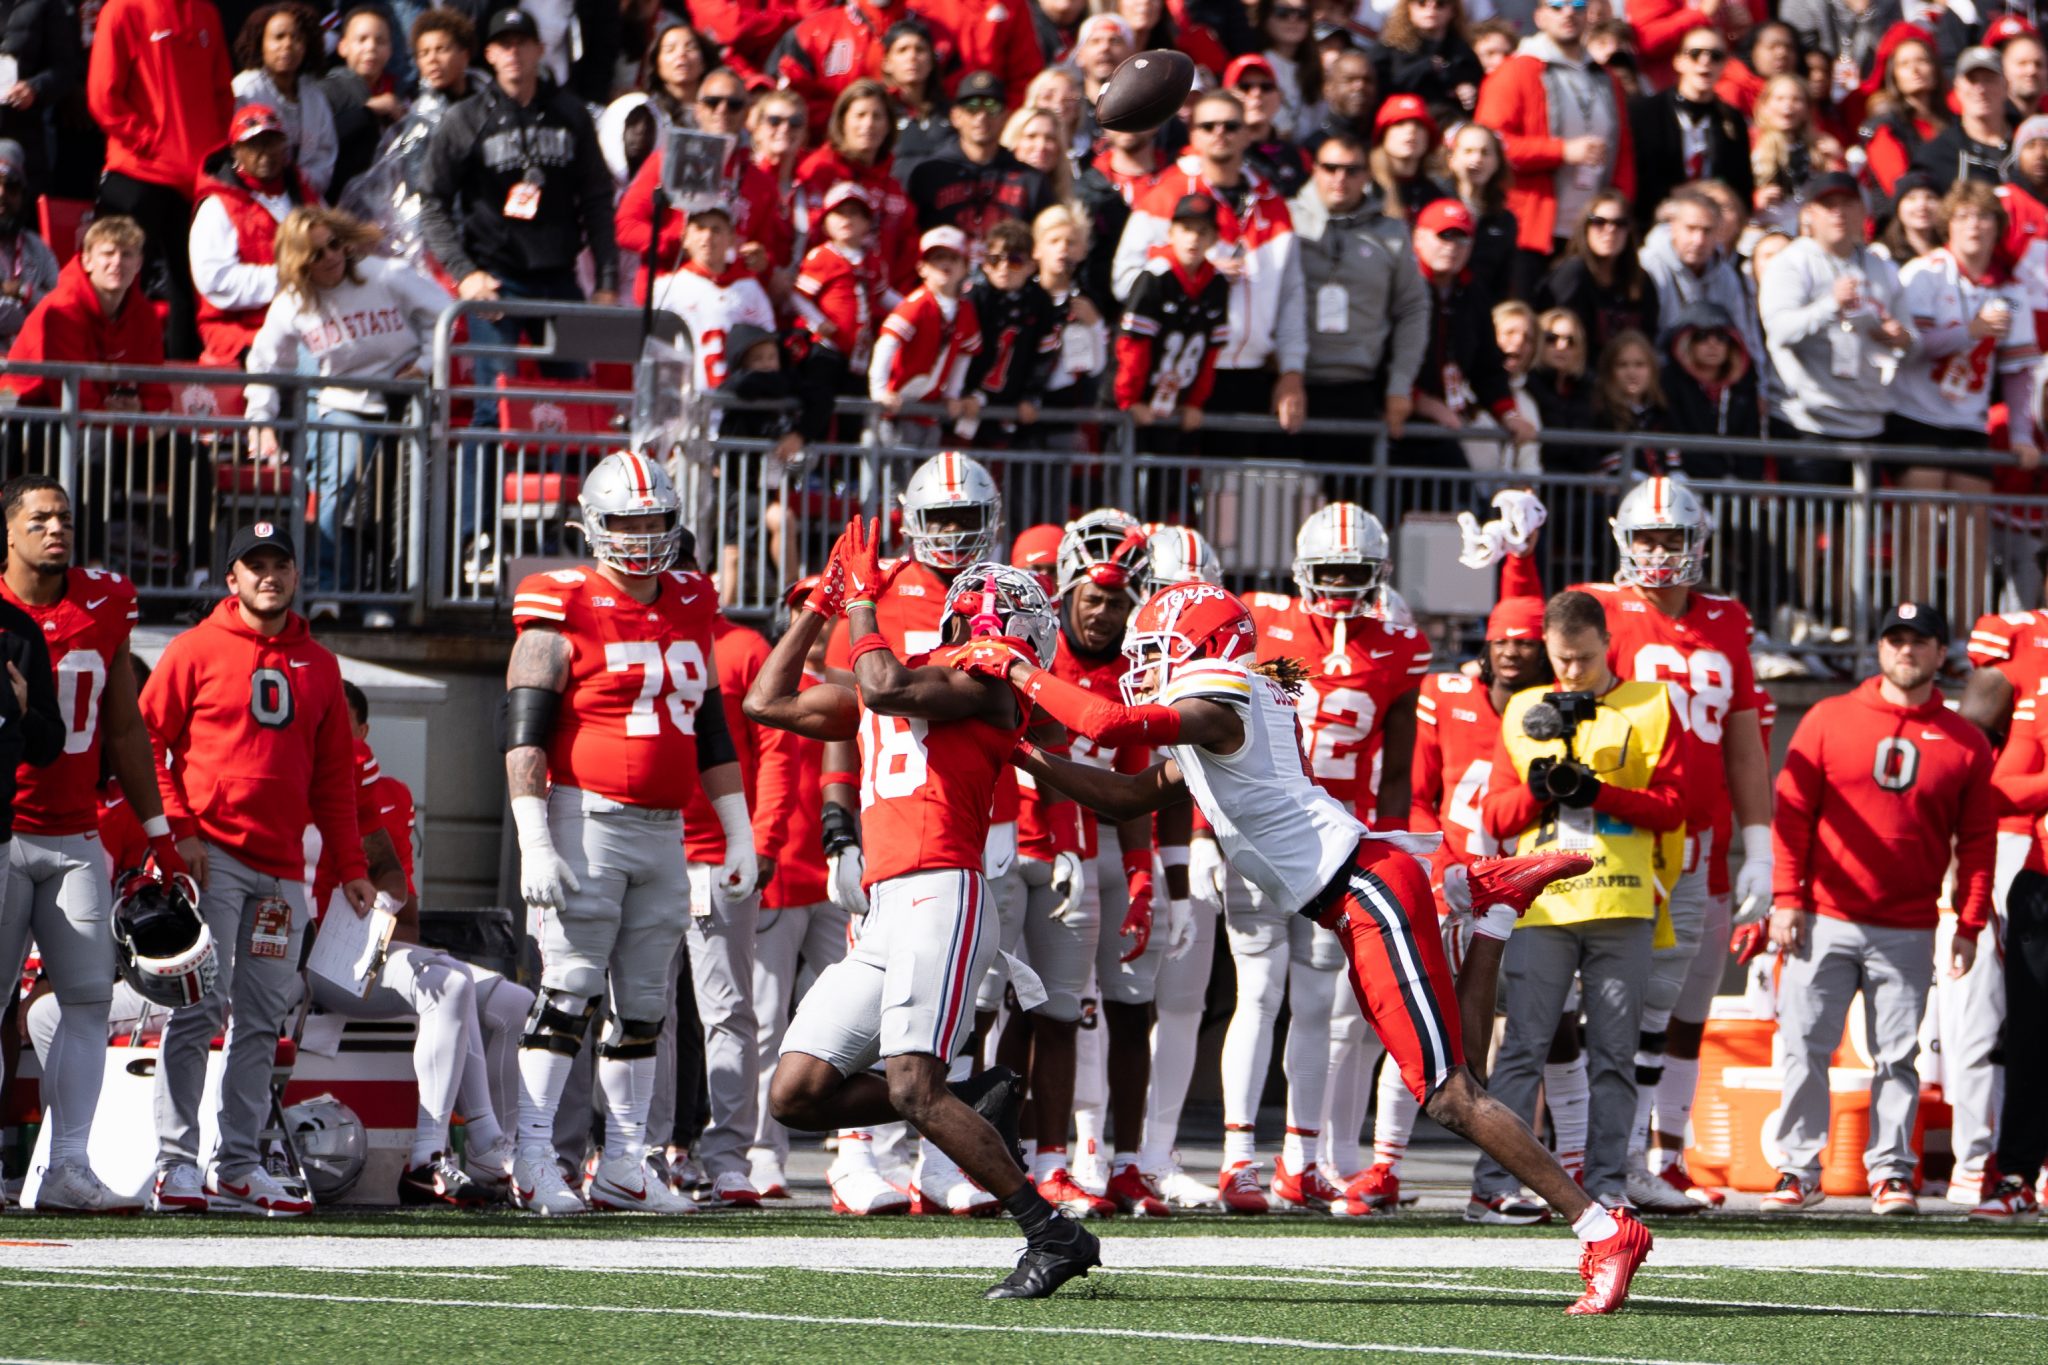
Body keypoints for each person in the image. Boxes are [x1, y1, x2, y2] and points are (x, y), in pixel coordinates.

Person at [1013, 581, 1650, 1311]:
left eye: (1162, 650)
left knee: (1450, 1093)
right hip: (1359, 890)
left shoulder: (1220, 699)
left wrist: (1015, 668)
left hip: (1364, 889)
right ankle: (1495, 913)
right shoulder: (1233, 701)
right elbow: (1124, 795)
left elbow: (1111, 722)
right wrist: (1023, 753)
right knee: (1456, 1077)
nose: (1147, 664)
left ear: (1206, 648)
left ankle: (1603, 1228)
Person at [745, 522, 1102, 1299]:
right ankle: (967, 1100)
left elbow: (880, 686)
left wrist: (864, 598)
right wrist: (821, 604)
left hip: (945, 890)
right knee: (797, 1093)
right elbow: (764, 699)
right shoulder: (909, 678)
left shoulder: (985, 692)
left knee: (911, 1086)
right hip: (887, 908)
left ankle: (1052, 1232)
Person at [1500, 477, 1773, 1208]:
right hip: (1600, 835)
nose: (1658, 552)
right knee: (1573, 1012)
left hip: (1690, 834)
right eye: (1646, 537)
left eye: (1671, 537)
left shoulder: (1726, 617)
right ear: (1623, 540)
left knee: (1653, 1008)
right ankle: (1578, 1155)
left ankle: (1625, 1157)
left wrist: (1761, 842)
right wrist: (1517, 562)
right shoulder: (1599, 605)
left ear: (1698, 541)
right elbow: (1521, 645)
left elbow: (1744, 742)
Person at [502, 452, 759, 1214]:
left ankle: (622, 1163)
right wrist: (534, 835)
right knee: (569, 988)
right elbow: (523, 728)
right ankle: (533, 1156)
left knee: (645, 1000)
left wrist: (738, 830)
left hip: (665, 827)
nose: (643, 537)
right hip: (588, 818)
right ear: (593, 526)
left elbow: (711, 722)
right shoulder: (561, 599)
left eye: (654, 521)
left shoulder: (689, 595)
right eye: (626, 522)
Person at [808, 451, 1019, 1217]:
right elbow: (844, 714)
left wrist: (1011, 812)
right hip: (894, 823)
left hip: (969, 816)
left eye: (968, 518)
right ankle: (858, 1155)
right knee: (881, 995)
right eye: (943, 517)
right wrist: (838, 826)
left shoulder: (1003, 594)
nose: (956, 533)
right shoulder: (881, 592)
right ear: (911, 519)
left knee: (962, 998)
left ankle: (937, 1153)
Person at [141, 522, 372, 1217]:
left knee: (263, 1019)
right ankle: (176, 1163)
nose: (268, 575)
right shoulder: (193, 650)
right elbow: (147, 741)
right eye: (255, 564)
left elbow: (335, 778)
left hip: (281, 872)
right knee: (197, 1009)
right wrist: (177, 834)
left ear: (296, 575)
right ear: (230, 577)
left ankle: (237, 1164)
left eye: (280, 564)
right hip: (212, 857)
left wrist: (351, 863)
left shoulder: (322, 666)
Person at [1210, 504, 1429, 1214]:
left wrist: (1391, 837)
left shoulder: (1399, 643)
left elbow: (1397, 768)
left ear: (1379, 575)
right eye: (1328, 571)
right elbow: (1212, 729)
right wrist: (1201, 830)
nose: (1338, 585)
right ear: (1302, 570)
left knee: (1321, 1002)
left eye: (1353, 573)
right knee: (1260, 992)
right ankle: (1238, 1156)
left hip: (1334, 839)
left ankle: (1299, 1158)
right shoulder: (1262, 625)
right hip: (1260, 826)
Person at [1764, 601, 1994, 1216]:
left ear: (1941, 653)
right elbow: (1791, 817)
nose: (1906, 651)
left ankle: (1891, 1171)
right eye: (1896, 639)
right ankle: (1796, 1169)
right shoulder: (1828, 717)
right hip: (1824, 915)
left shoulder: (1966, 742)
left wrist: (1967, 922)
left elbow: (1976, 842)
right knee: (1804, 1045)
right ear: (1881, 648)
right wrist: (1786, 898)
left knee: (1898, 1056)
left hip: (1908, 924)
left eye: (1920, 641)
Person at [1474, 588, 1687, 1220]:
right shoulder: (1523, 708)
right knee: (1523, 1049)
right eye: (1561, 659)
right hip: (1543, 905)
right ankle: (1495, 1183)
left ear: (1607, 646)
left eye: (1584, 659)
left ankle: (1608, 1183)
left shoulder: (1650, 703)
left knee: (1615, 1056)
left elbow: (1677, 807)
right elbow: (1495, 814)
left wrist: (1604, 792)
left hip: (1622, 902)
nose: (1570, 672)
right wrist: (1541, 794)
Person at [1360, 592, 1554, 1214]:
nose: (1513, 651)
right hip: (1461, 886)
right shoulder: (1447, 695)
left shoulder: (1554, 708)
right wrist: (1435, 871)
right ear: (1486, 643)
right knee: (1424, 1029)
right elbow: (1418, 792)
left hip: (1541, 891)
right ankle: (1385, 1166)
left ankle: (1567, 1169)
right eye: (1502, 639)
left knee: (1552, 1036)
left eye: (1526, 640)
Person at [304, 680, 531, 1207]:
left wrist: (379, 928)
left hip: (362, 948)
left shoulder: (379, 793)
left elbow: (401, 910)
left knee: (515, 1003)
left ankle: (496, 1148)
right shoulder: (281, 775)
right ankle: (446, 1149)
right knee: (448, 985)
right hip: (303, 953)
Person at [418, 5, 619, 565]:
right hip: (496, 281)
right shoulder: (465, 118)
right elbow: (430, 201)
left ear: (538, 50)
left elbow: (598, 199)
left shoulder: (571, 113)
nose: (512, 52)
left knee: (573, 407)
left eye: (521, 43)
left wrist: (605, 279)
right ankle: (475, 539)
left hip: (558, 278)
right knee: (491, 407)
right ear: (488, 54)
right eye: (501, 44)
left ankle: (573, 534)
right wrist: (465, 272)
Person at [244, 207, 449, 604]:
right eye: (317, 254)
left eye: (335, 245)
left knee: (400, 497)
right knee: (336, 481)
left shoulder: (383, 273)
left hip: (405, 397)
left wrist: (423, 365)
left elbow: (444, 314)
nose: (332, 257)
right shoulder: (292, 303)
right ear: (300, 263)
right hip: (343, 399)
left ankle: (392, 595)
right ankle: (325, 590)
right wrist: (261, 421)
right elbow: (266, 363)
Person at [1111, 91, 1308, 447]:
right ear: (1193, 135)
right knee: (1167, 497)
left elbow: (1292, 297)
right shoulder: (1164, 195)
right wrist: (1192, 268)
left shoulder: (1273, 203)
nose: (1221, 133)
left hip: (1251, 375)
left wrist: (1291, 371)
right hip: (1176, 375)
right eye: (1208, 125)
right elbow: (1124, 282)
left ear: (1248, 134)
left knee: (1236, 498)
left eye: (1232, 125)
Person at [0, 479, 96, 1210]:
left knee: (88, 996)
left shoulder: (19, 630)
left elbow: (47, 741)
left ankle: (68, 1165)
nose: (55, 528)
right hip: (8, 836)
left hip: (48, 832)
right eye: (40, 518)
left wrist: (24, 707)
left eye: (64, 517)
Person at [1892, 180, 2037, 619]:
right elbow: (1908, 346)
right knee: (1918, 526)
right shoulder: (1925, 272)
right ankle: (1912, 628)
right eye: (1964, 216)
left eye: (1985, 217)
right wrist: (1967, 333)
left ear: (1999, 228)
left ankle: (1965, 638)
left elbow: (2018, 371)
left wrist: (2021, 433)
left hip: (1968, 420)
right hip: (1914, 413)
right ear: (1947, 225)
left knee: (1971, 531)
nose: (1975, 226)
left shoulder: (2011, 290)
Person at [86, 0, 234, 360]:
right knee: (115, 278)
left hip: (196, 179)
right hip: (138, 172)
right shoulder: (122, 10)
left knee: (192, 288)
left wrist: (214, 154)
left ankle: (182, 389)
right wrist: (148, 141)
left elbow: (221, 94)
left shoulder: (207, 12)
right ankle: (105, 381)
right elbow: (103, 97)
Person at [1476, 0, 1635, 302]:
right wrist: (1560, 151)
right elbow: (1492, 145)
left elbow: (1623, 151)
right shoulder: (1516, 71)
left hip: (1592, 234)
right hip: (1531, 229)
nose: (1568, 13)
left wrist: (1619, 208)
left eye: (1577, 5)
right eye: (1557, 5)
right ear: (1539, 15)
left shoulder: (1606, 77)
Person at [1758, 170, 1907, 484]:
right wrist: (1829, 305)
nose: (1838, 212)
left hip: (1866, 421)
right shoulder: (1792, 262)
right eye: (1829, 205)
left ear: (1863, 211)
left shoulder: (1882, 267)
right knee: (1806, 527)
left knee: (1858, 529)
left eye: (1848, 203)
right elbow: (1779, 331)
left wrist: (1899, 337)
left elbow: (1912, 338)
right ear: (1809, 214)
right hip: (1806, 421)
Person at [1290, 130, 1428, 460]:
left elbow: (1413, 308)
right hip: (1290, 386)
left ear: (1367, 174)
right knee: (1284, 505)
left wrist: (1400, 386)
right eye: (1331, 168)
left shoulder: (1392, 234)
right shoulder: (1284, 220)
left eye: (1352, 170)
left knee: (1352, 508)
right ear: (1315, 169)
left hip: (1359, 388)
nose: (1341, 178)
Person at [1978, 660, 2048, 1221]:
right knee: (2031, 1037)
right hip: (2043, 882)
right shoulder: (2041, 695)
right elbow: (2000, 788)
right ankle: (2017, 1174)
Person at [190, 104, 318, 369]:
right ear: (236, 152)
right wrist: (288, 277)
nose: (265, 154)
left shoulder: (303, 194)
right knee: (310, 365)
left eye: (271, 143)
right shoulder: (217, 206)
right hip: (240, 329)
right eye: (254, 146)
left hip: (305, 321)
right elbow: (215, 281)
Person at [1408, 198, 1533, 468]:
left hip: (1444, 425)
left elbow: (1487, 366)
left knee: (1461, 503)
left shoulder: (1472, 293)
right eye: (1444, 236)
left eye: (1462, 239)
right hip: (1395, 421)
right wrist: (1421, 402)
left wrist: (1508, 414)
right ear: (1418, 237)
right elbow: (1379, 357)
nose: (1452, 247)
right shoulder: (1401, 285)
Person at [3, 215, 166, 414]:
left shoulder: (145, 315)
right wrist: (134, 424)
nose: (117, 262)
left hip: (96, 415)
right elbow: (72, 399)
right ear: (87, 261)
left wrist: (143, 410)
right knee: (97, 442)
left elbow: (159, 394)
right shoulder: (62, 309)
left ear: (139, 263)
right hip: (25, 413)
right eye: (108, 253)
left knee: (181, 444)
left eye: (127, 255)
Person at [1112, 194, 1230, 447]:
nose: (1193, 238)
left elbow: (1210, 353)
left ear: (1214, 238)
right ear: (1171, 233)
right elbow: (1133, 345)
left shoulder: (1217, 284)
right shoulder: (1155, 277)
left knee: (1170, 482)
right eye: (1186, 229)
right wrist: (1130, 400)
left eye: (1202, 231)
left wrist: (1194, 403)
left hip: (1176, 406)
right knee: (1121, 479)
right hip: (1135, 404)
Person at [790, 184, 896, 445]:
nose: (847, 220)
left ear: (867, 223)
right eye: (840, 213)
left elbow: (885, 295)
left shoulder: (872, 260)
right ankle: (812, 469)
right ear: (826, 222)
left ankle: (846, 479)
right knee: (819, 407)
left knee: (854, 413)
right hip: (827, 348)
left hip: (859, 353)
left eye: (855, 214)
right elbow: (798, 295)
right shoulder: (823, 257)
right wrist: (817, 322)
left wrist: (913, 309)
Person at [795, 80, 920, 295]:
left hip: (883, 306)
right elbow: (806, 239)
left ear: (889, 125)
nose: (869, 124)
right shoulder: (819, 170)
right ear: (842, 121)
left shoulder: (892, 186)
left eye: (877, 116)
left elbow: (907, 250)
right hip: (829, 306)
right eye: (860, 115)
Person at [905, 70, 1053, 247]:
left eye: (992, 107)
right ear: (955, 116)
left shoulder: (1030, 180)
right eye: (972, 107)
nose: (981, 117)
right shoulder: (929, 174)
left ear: (1005, 116)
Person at [1630, 28, 1753, 235]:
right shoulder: (1646, 112)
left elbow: (1742, 185)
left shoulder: (1732, 118)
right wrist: (1680, 193)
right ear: (1678, 61)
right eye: (1695, 54)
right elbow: (1638, 178)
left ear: (1724, 65)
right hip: (1658, 220)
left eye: (1715, 56)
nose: (1705, 61)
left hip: (1713, 225)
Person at [648, 201, 777, 397]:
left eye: (717, 229)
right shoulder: (667, 288)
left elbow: (767, 350)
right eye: (700, 228)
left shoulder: (750, 289)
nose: (708, 237)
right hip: (685, 400)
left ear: (731, 239)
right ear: (685, 238)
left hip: (737, 405)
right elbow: (652, 351)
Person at [869, 225, 981, 447]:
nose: (945, 264)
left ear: (965, 267)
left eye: (953, 258)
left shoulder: (965, 310)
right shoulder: (917, 303)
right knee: (898, 477)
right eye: (937, 258)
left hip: (930, 412)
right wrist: (879, 391)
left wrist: (952, 394)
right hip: (898, 410)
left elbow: (965, 354)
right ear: (922, 268)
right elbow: (887, 343)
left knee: (926, 477)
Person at [1639, 188, 1763, 373]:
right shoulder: (1648, 266)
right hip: (1659, 374)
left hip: (1711, 375)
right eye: (1691, 229)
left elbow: (1742, 337)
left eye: (1707, 230)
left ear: (1719, 232)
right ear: (1672, 227)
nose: (1698, 240)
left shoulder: (1726, 276)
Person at [963, 218, 1061, 437]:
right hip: (969, 403)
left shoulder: (1040, 301)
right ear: (985, 264)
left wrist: (1031, 396)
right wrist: (964, 393)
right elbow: (959, 352)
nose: (1004, 268)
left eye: (1015, 260)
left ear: (1031, 265)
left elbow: (1045, 355)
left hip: (1011, 406)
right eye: (995, 260)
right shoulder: (974, 298)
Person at [231, 3, 338, 200]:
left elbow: (325, 155)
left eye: (297, 38)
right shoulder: (244, 90)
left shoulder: (314, 96)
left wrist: (298, 185)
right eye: (279, 37)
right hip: (256, 198)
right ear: (260, 42)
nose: (288, 44)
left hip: (308, 198)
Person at [1534, 191, 1660, 356]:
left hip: (1625, 373)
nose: (1610, 230)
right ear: (1585, 228)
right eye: (1599, 222)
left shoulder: (1640, 279)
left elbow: (1648, 338)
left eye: (1620, 223)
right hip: (1577, 372)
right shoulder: (1572, 273)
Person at [318, 7, 405, 202]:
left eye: (380, 41)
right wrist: (366, 112)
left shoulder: (399, 91)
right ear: (343, 47)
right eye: (361, 40)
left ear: (390, 50)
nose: (371, 47)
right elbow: (319, 141)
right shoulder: (326, 90)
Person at [1658, 301, 1762, 453]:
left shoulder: (1744, 385)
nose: (1713, 344)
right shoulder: (1670, 384)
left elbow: (1751, 440)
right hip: (1687, 474)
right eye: (1702, 336)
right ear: (1686, 342)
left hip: (1737, 474)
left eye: (1721, 337)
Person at [1913, 46, 2013, 190]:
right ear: (1957, 88)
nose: (1980, 89)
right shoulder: (1938, 154)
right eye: (1972, 80)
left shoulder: (2028, 146)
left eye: (1989, 80)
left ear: (2006, 86)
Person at [1861, 33, 1949, 197]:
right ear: (1894, 76)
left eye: (1922, 61)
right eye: (1904, 64)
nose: (1915, 69)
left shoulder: (1953, 122)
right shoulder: (1885, 127)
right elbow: (1897, 188)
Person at [1374, 0, 1480, 126]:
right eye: (1421, 3)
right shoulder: (1390, 49)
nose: (1431, 9)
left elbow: (1475, 78)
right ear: (1408, 8)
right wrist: (1427, 66)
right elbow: (1383, 86)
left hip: (1450, 125)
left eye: (1440, 4)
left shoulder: (1462, 50)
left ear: (1453, 11)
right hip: (1402, 123)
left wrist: (1467, 88)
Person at [1445, 122, 1516, 306]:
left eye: (1485, 153)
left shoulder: (1504, 219)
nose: (1477, 159)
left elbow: (1502, 280)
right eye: (1468, 151)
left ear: (1497, 162)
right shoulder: (1436, 202)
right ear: (1451, 159)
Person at [0, 141, 60, 350]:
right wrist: (35, 302)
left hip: (30, 363)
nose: (2, 194)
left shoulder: (37, 247)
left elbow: (60, 308)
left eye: (11, 186)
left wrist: (23, 292)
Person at [1227, 54, 1310, 203]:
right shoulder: (1216, 154)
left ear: (1279, 96)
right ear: (1225, 97)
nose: (1257, 93)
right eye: (1245, 87)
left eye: (1266, 87)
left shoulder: (1298, 156)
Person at [1366, 94, 1449, 223]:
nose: (1411, 130)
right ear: (1383, 135)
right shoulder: (1366, 186)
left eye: (1419, 125)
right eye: (1399, 123)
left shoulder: (1439, 192)